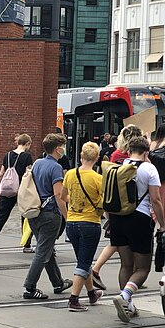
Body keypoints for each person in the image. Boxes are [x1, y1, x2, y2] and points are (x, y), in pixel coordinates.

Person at [109, 136, 165, 322]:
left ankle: (129, 305)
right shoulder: (149, 169)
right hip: (139, 219)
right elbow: (155, 200)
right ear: (146, 151)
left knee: (126, 264)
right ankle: (125, 296)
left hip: (118, 219)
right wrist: (163, 224)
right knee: (142, 267)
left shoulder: (119, 165)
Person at [91, 124, 144, 287]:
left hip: (114, 203)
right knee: (123, 243)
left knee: (119, 242)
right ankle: (97, 269)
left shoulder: (115, 154)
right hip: (129, 203)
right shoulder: (133, 158)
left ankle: (133, 278)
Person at [21, 133, 72, 300]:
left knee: (46, 249)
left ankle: (58, 282)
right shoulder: (56, 167)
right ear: (58, 148)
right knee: (42, 252)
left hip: (35, 212)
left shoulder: (37, 163)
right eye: (63, 146)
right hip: (50, 214)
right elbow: (59, 195)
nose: (64, 149)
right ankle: (30, 287)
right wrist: (67, 216)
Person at [60, 142, 104, 312]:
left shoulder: (70, 174)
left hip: (72, 222)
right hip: (90, 222)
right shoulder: (98, 178)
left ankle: (92, 293)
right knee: (84, 261)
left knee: (82, 259)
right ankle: (74, 299)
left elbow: (63, 196)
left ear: (80, 156)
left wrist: (76, 202)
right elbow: (104, 201)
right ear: (97, 158)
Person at [0, 134, 34, 254]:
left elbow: (1, 173)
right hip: (21, 189)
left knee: (1, 216)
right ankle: (27, 244)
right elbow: (28, 173)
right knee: (26, 216)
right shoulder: (27, 156)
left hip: (7, 189)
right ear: (27, 144)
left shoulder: (8, 155)